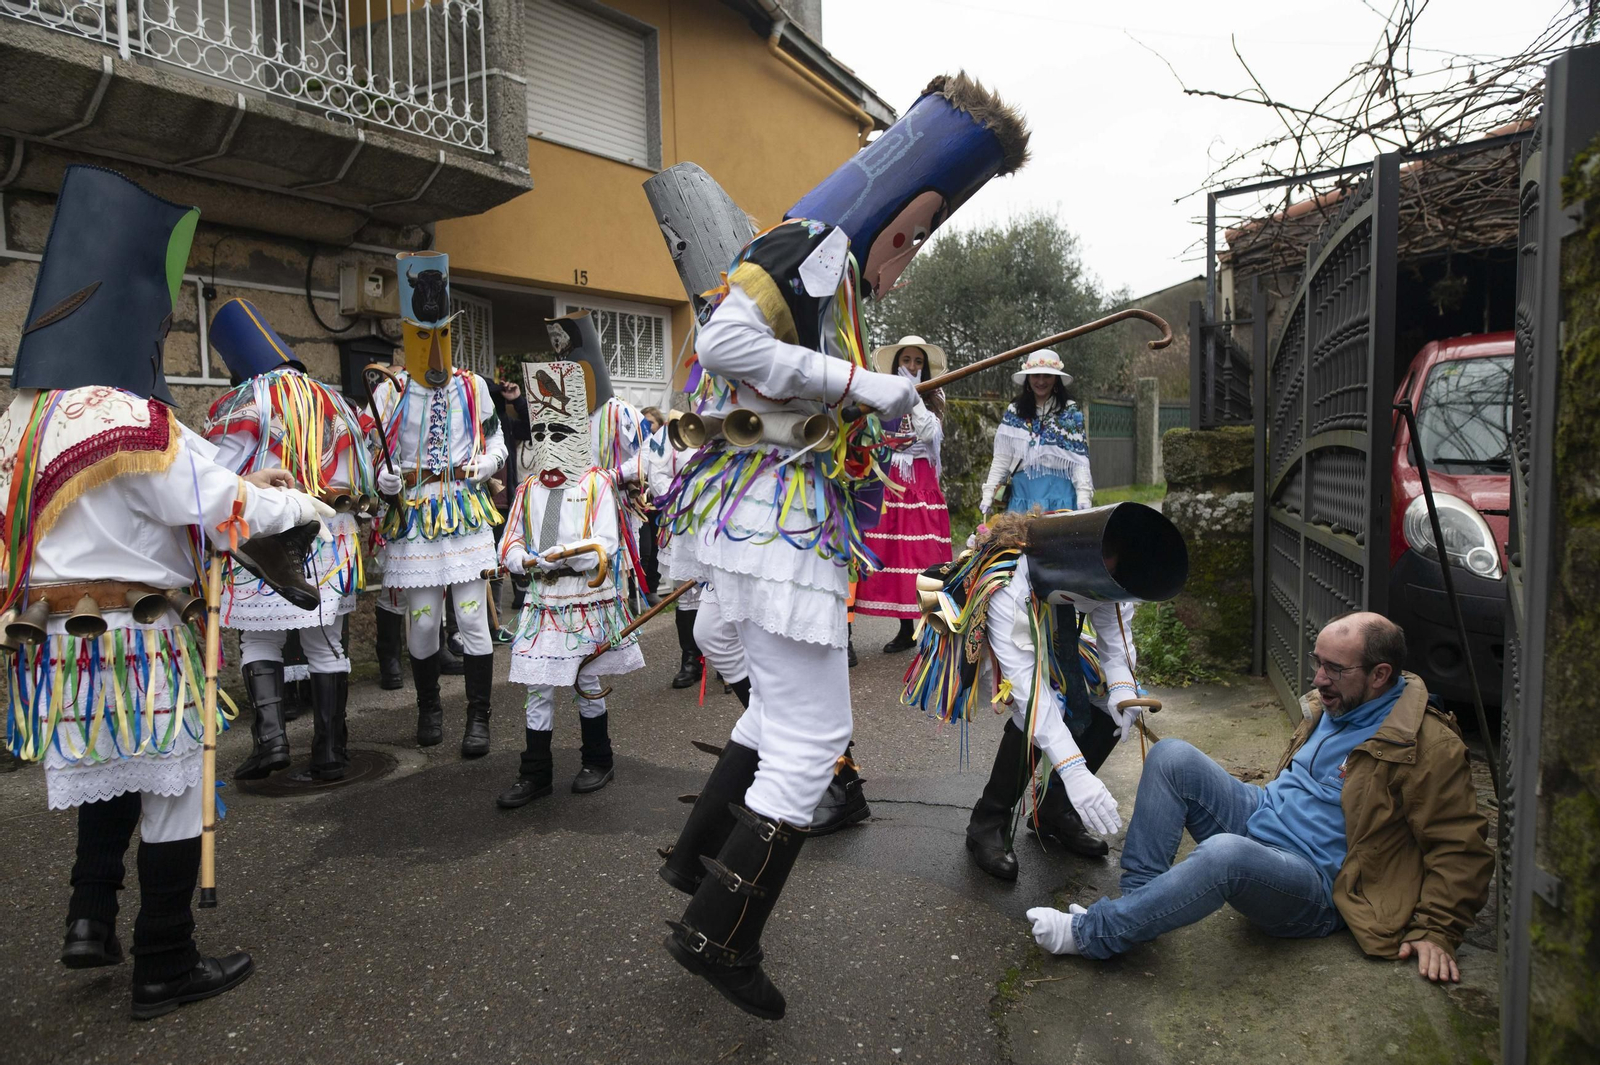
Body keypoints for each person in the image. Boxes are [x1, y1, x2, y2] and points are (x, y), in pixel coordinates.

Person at [656, 72, 1030, 1020]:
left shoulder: (826, 269)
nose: (914, 251)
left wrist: (886, 413)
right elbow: (725, 345)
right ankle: (718, 932)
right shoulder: (811, 245)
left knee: (779, 716)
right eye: (920, 231)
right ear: (901, 211)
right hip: (775, 527)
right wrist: (864, 387)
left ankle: (700, 859)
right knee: (815, 735)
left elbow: (797, 400)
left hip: (763, 519)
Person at [1, 166, 333, 1019]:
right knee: (174, 788)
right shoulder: (127, 418)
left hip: (55, 642)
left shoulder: (22, 420)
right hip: (137, 633)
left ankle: (88, 917)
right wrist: (301, 505)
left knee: (107, 769)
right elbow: (221, 506)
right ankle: (165, 961)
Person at [1026, 613, 1494, 983]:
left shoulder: (1426, 745)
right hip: (1263, 813)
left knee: (1224, 855)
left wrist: (1438, 929)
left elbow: (1460, 845)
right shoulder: (1338, 700)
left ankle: (1099, 933)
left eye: (1334, 669)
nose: (1319, 679)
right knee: (1171, 756)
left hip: (1313, 883)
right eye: (1318, 662)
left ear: (1380, 675)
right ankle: (1141, 907)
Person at [905, 505, 1185, 879]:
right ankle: (988, 822)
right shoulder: (1008, 583)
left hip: (1052, 625)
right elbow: (1029, 690)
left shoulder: (1108, 566)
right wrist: (1075, 769)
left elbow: (1115, 639)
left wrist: (1122, 688)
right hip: (995, 632)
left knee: (1107, 700)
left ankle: (1055, 809)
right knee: (1041, 706)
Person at [203, 298, 376, 782]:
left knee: (260, 638)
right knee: (325, 641)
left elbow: (218, 476)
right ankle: (330, 751)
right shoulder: (335, 401)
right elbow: (359, 472)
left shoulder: (242, 403)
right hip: (329, 531)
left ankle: (272, 743)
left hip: (263, 533)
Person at [370, 251, 508, 757]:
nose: (432, 347)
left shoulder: (474, 388)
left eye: (442, 334)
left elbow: (497, 441)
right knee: (425, 621)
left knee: (472, 617)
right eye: (422, 336)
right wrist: (383, 479)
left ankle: (478, 717)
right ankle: (428, 708)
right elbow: (372, 455)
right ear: (407, 336)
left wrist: (489, 463)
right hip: (415, 517)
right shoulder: (389, 393)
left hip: (465, 512)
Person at [493, 359, 642, 807]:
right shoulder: (529, 489)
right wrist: (521, 559)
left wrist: (564, 554)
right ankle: (535, 772)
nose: (549, 442)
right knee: (538, 684)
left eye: (559, 432)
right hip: (543, 598)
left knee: (587, 680)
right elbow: (510, 540)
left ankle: (598, 759)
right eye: (541, 433)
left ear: (578, 434)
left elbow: (606, 544)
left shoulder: (596, 484)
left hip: (584, 596)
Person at [854, 335, 952, 653]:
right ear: (897, 363)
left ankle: (936, 630)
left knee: (924, 556)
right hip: (889, 479)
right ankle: (905, 629)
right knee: (895, 554)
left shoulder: (934, 396)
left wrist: (914, 397)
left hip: (921, 482)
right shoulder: (882, 395)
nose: (911, 366)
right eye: (906, 360)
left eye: (918, 361)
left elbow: (929, 433)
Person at [980, 350, 1092, 518]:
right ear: (1028, 378)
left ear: (1056, 379)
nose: (1041, 381)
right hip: (1022, 498)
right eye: (1035, 375)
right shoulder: (1015, 411)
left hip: (1061, 499)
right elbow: (1002, 458)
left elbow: (1078, 461)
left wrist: (1084, 496)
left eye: (1047, 376)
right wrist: (989, 493)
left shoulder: (1070, 412)